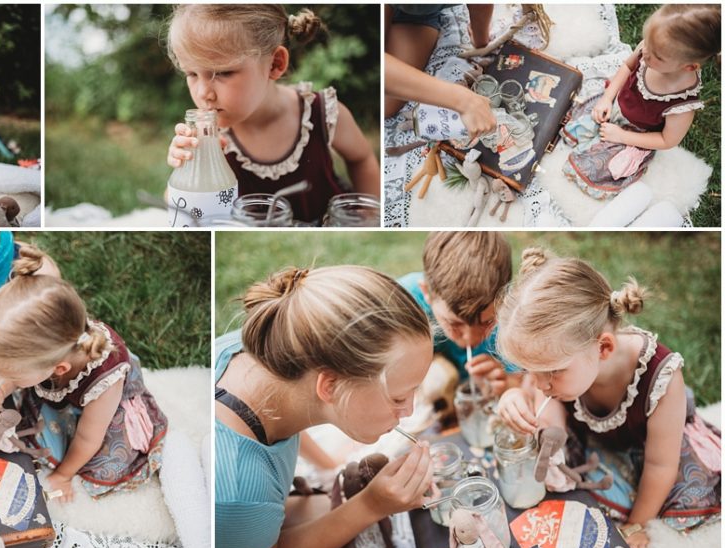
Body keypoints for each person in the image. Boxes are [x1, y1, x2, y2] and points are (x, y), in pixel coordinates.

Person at [495, 248, 721, 548]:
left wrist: (637, 524)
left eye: (550, 371)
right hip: (594, 434)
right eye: (529, 370)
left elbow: (660, 465)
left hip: (650, 449)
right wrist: (517, 397)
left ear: (603, 348)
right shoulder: (565, 368)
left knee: (681, 489)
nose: (539, 383)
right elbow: (541, 396)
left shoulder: (662, 379)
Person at [215, 266, 437, 548]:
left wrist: (328, 464)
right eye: (398, 397)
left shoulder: (266, 356)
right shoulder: (240, 486)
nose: (409, 410)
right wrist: (371, 505)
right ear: (330, 386)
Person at [0, 245, 167, 501]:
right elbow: (14, 375)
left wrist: (63, 475)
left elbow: (87, 437)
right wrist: (1, 385)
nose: (8, 379)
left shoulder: (105, 381)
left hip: (100, 415)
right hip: (61, 386)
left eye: (14, 376)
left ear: (58, 369)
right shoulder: (51, 340)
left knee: (100, 459)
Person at [165, 5, 379, 223]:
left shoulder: (322, 113)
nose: (203, 93)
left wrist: (371, 218)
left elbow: (361, 158)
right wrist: (187, 169)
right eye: (191, 73)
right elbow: (177, 210)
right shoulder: (208, 137)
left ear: (275, 64)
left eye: (222, 73)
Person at [561, 4, 719, 198]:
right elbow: (627, 67)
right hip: (617, 106)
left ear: (688, 67)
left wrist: (621, 137)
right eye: (647, 45)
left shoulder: (682, 106)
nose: (646, 54)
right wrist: (607, 97)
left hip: (635, 134)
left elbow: (666, 140)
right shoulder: (649, 50)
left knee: (600, 168)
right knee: (578, 122)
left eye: (657, 56)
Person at [398, 231, 521, 395]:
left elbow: (529, 383)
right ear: (426, 292)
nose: (470, 339)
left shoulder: (513, 315)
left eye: (487, 322)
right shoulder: (404, 303)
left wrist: (506, 383)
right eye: (454, 323)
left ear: (504, 297)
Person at [385, 4, 497, 138]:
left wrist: (480, 41)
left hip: (417, 14)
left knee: (386, 105)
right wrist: (462, 100)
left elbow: (481, 6)